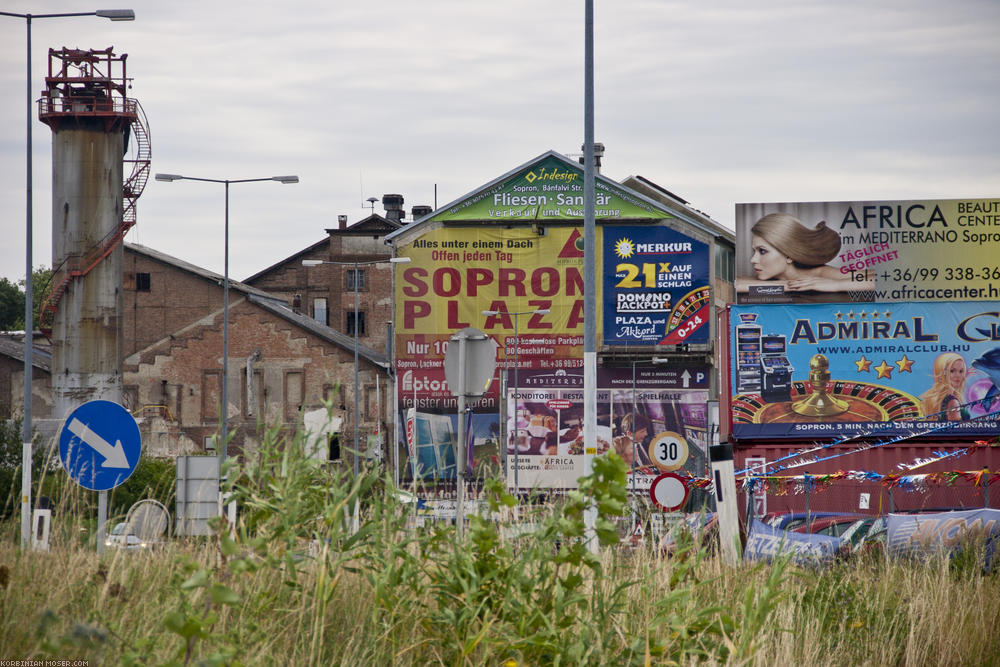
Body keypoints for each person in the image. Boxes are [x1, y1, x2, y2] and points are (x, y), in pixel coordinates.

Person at [735, 212, 873, 293]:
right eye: (754, 251)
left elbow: (886, 279)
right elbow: (737, 285)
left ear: (788, 255)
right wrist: (788, 285)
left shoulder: (820, 273)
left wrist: (835, 285)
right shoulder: (770, 276)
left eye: (762, 251)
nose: (753, 260)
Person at [920, 352, 970, 421]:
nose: (958, 375)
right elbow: (956, 430)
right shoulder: (952, 401)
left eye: (961, 371)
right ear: (941, 372)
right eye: (952, 371)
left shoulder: (931, 398)